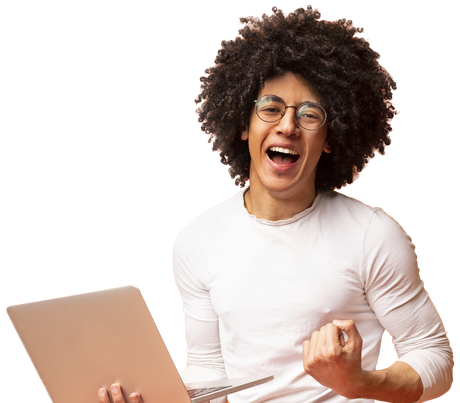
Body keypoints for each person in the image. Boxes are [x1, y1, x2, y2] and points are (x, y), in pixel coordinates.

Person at [98, 6, 455, 403]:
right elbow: (209, 373)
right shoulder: (197, 240)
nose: (287, 126)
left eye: (310, 114)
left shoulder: (374, 236)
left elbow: (434, 357)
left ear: (331, 137)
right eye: (270, 108)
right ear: (243, 123)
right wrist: (156, 396)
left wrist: (361, 384)